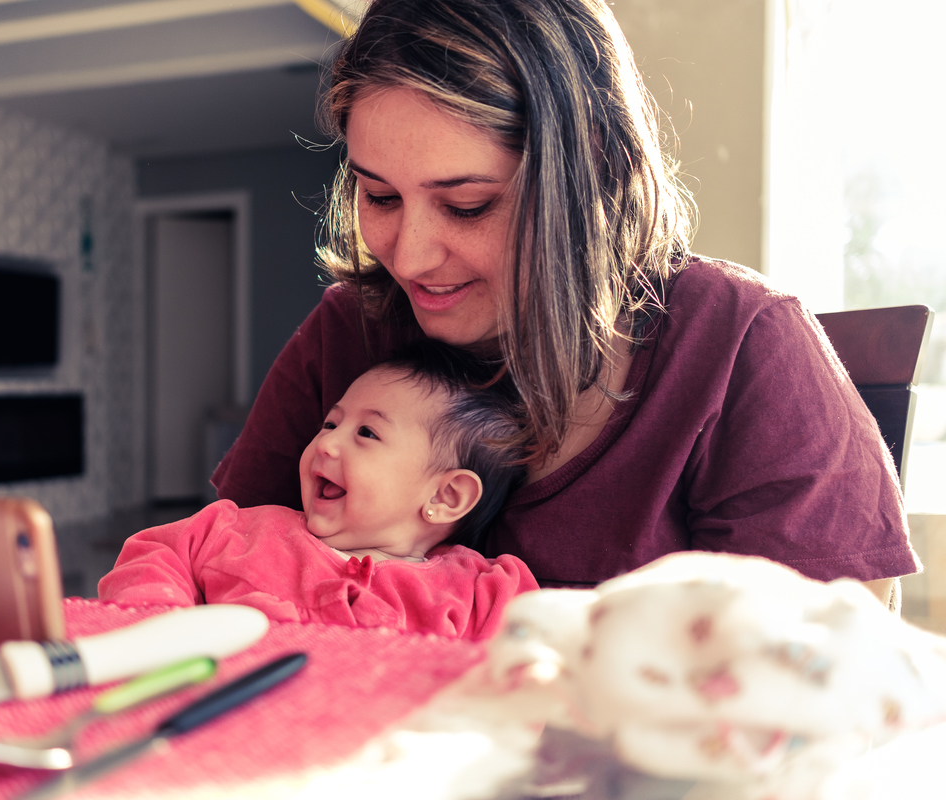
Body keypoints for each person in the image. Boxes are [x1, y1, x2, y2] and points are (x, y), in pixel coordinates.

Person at [211, 0, 919, 604]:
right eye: (381, 196)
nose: (410, 255)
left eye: (468, 205)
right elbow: (220, 568)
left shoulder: (741, 344)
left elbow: (820, 682)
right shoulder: (349, 333)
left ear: (598, 170)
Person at [99, 342, 539, 639]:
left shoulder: (481, 591)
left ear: (446, 497)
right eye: (330, 423)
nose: (326, 442)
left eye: (366, 433)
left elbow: (533, 665)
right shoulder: (241, 531)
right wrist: (162, 628)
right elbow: (154, 554)